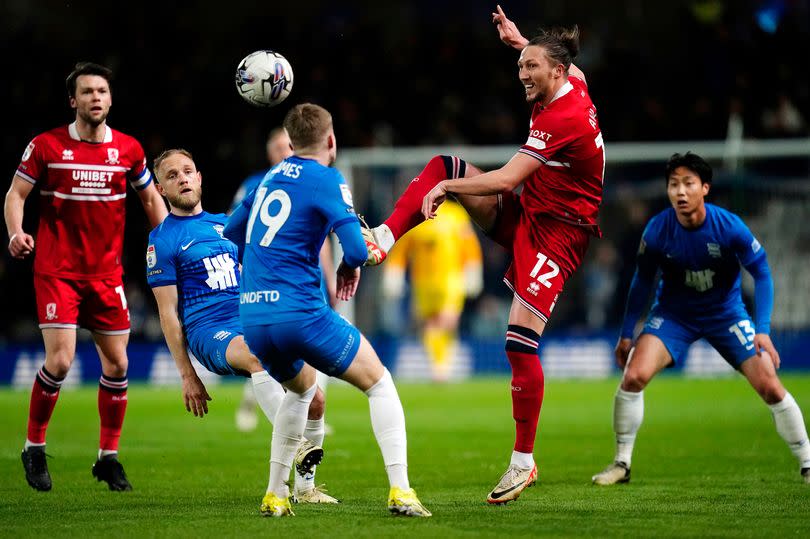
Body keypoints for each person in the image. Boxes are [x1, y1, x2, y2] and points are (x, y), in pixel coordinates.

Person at [362, 6, 604, 504]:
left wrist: (451, 189)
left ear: (555, 73)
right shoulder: (570, 79)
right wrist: (521, 43)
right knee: (441, 161)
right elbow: (563, 65)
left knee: (518, 345)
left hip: (558, 234)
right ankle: (385, 238)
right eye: (521, 67)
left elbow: (508, 178)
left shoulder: (564, 115)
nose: (522, 76)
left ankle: (523, 462)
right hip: (531, 212)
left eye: (531, 68)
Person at [224, 103, 430, 517]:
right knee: (379, 382)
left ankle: (276, 495)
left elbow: (231, 230)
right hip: (300, 312)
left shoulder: (267, 178)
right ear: (331, 140)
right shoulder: (327, 178)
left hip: (254, 317)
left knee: (300, 392)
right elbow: (355, 249)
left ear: (291, 141)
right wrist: (350, 263)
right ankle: (401, 492)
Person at [592, 152, 810, 485]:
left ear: (705, 188)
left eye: (688, 184)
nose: (680, 192)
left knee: (769, 384)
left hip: (725, 313)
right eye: (673, 185)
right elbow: (641, 281)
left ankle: (807, 462)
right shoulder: (657, 230)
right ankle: (622, 463)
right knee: (633, 376)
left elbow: (762, 273)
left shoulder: (729, 227)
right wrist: (626, 334)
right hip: (674, 316)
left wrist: (762, 331)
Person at [5, 62, 168, 492]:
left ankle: (107, 458)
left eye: (102, 91)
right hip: (57, 270)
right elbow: (15, 195)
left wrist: (171, 241)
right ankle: (34, 447)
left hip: (106, 274)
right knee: (59, 360)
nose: (96, 97)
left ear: (110, 99)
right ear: (73, 101)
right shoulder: (46, 146)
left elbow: (151, 198)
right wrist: (16, 232)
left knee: (118, 363)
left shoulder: (128, 150)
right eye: (87, 92)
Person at [146, 148, 336, 503]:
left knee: (316, 400)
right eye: (172, 175)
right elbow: (168, 313)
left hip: (251, 316)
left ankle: (306, 489)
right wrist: (188, 375)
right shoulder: (162, 240)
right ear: (160, 188)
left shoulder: (226, 224)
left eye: (188, 170)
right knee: (258, 357)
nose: (182, 178)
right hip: (210, 330)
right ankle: (294, 446)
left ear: (199, 177)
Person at [230, 127, 336, 434]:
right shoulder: (255, 184)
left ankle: (313, 415)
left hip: (306, 281)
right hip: (267, 281)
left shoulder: (311, 180)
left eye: (289, 146)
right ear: (269, 153)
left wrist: (329, 277)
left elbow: (324, 239)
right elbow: (235, 227)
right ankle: (252, 403)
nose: (284, 152)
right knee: (269, 351)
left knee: (315, 350)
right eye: (278, 147)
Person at [382, 200, 483, 381]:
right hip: (422, 281)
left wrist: (473, 271)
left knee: (448, 320)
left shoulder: (455, 214)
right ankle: (438, 365)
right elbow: (401, 249)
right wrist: (394, 275)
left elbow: (470, 246)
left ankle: (442, 361)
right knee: (430, 323)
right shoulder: (416, 217)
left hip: (451, 278)